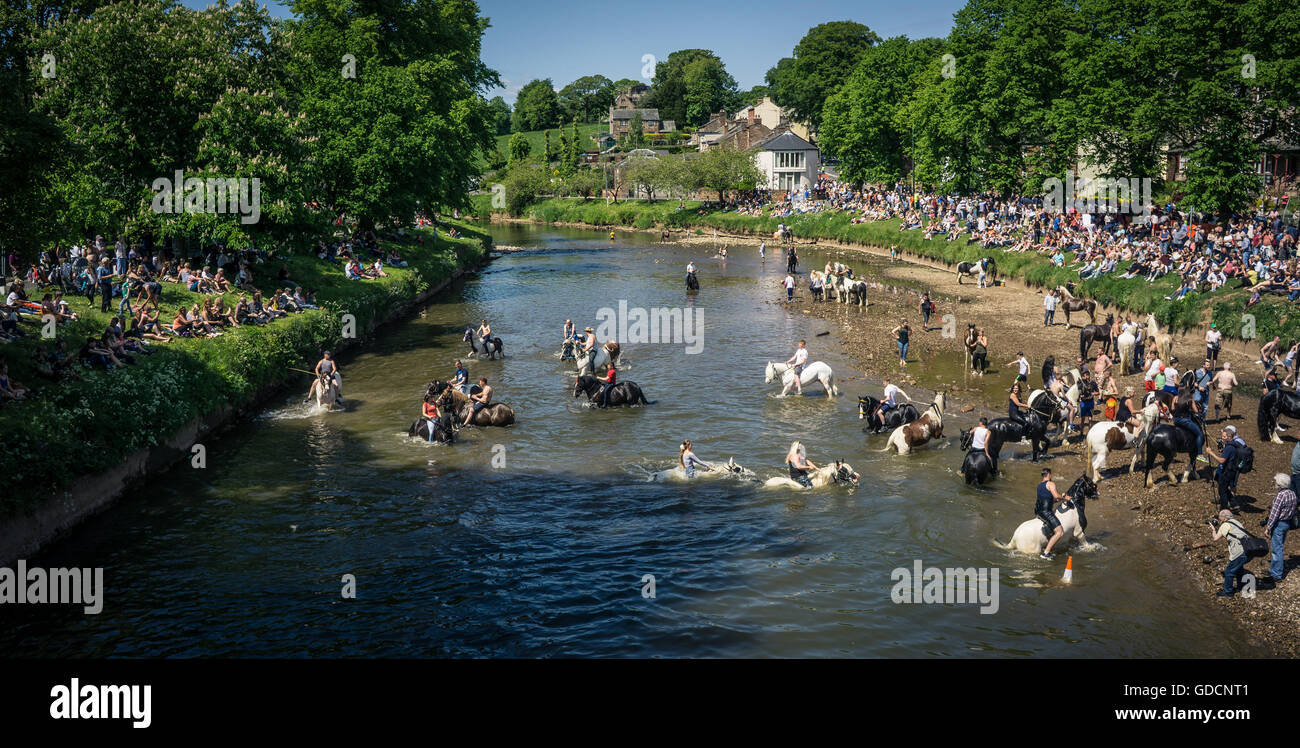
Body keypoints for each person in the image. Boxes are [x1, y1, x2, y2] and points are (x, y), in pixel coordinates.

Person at [1204, 425, 1247, 510]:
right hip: (1231, 470)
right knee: (1224, 488)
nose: (1222, 438)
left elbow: (1221, 460)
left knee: (1222, 490)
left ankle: (1223, 509)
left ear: (1229, 437)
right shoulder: (1233, 444)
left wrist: (1211, 453)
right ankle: (1234, 504)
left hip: (1227, 471)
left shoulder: (1229, 447)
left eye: (1224, 436)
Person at [1211, 509, 1250, 597]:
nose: (1219, 519)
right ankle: (1240, 586)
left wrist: (1213, 530)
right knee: (1239, 569)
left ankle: (1228, 592)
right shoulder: (1237, 522)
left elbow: (1215, 538)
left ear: (1224, 519)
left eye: (1220, 517)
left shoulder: (1225, 525)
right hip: (1247, 550)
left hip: (1239, 552)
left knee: (1229, 571)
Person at [1264, 473, 1296, 584]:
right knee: (1279, 546)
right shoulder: (1292, 493)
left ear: (1280, 485)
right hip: (1287, 523)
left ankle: (1276, 574)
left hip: (1279, 524)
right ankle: (1275, 570)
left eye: (1276, 483)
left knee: (1277, 549)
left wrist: (1268, 527)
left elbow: (1274, 513)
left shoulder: (1280, 496)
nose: (1275, 484)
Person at [1035, 468, 1065, 560]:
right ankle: (1046, 553)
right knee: (1060, 532)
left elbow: (1050, 500)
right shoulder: (1051, 484)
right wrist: (1065, 498)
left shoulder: (1039, 486)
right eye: (1050, 475)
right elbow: (1056, 496)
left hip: (1038, 511)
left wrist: (1060, 498)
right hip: (1046, 512)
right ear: (1048, 474)